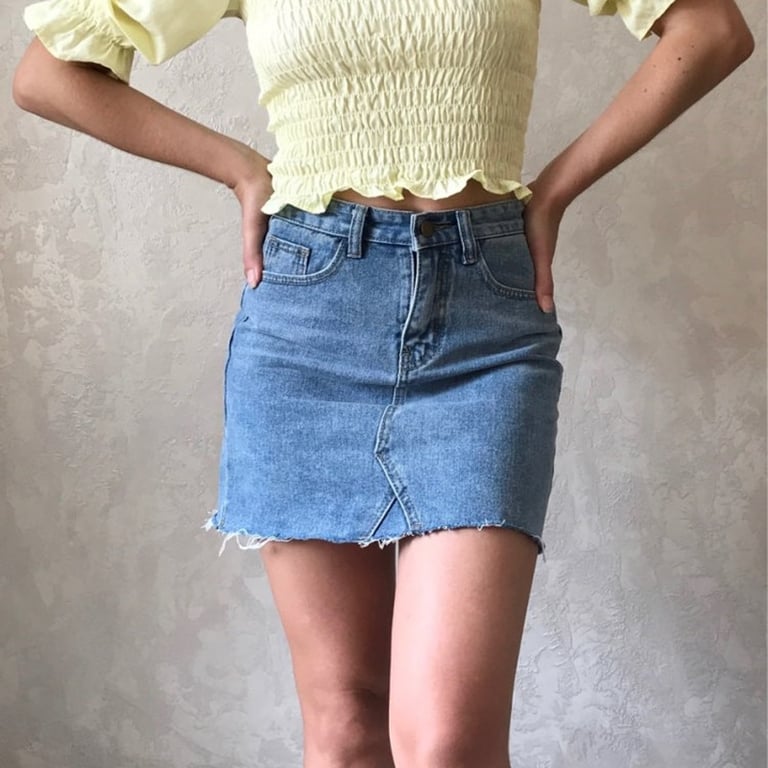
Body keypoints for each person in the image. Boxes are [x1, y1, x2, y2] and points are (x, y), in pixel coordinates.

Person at [13, 1, 753, 766]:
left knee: (447, 742)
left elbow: (713, 31)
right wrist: (237, 167)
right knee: (345, 726)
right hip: (306, 325)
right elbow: (49, 76)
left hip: (485, 329)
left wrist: (557, 188)